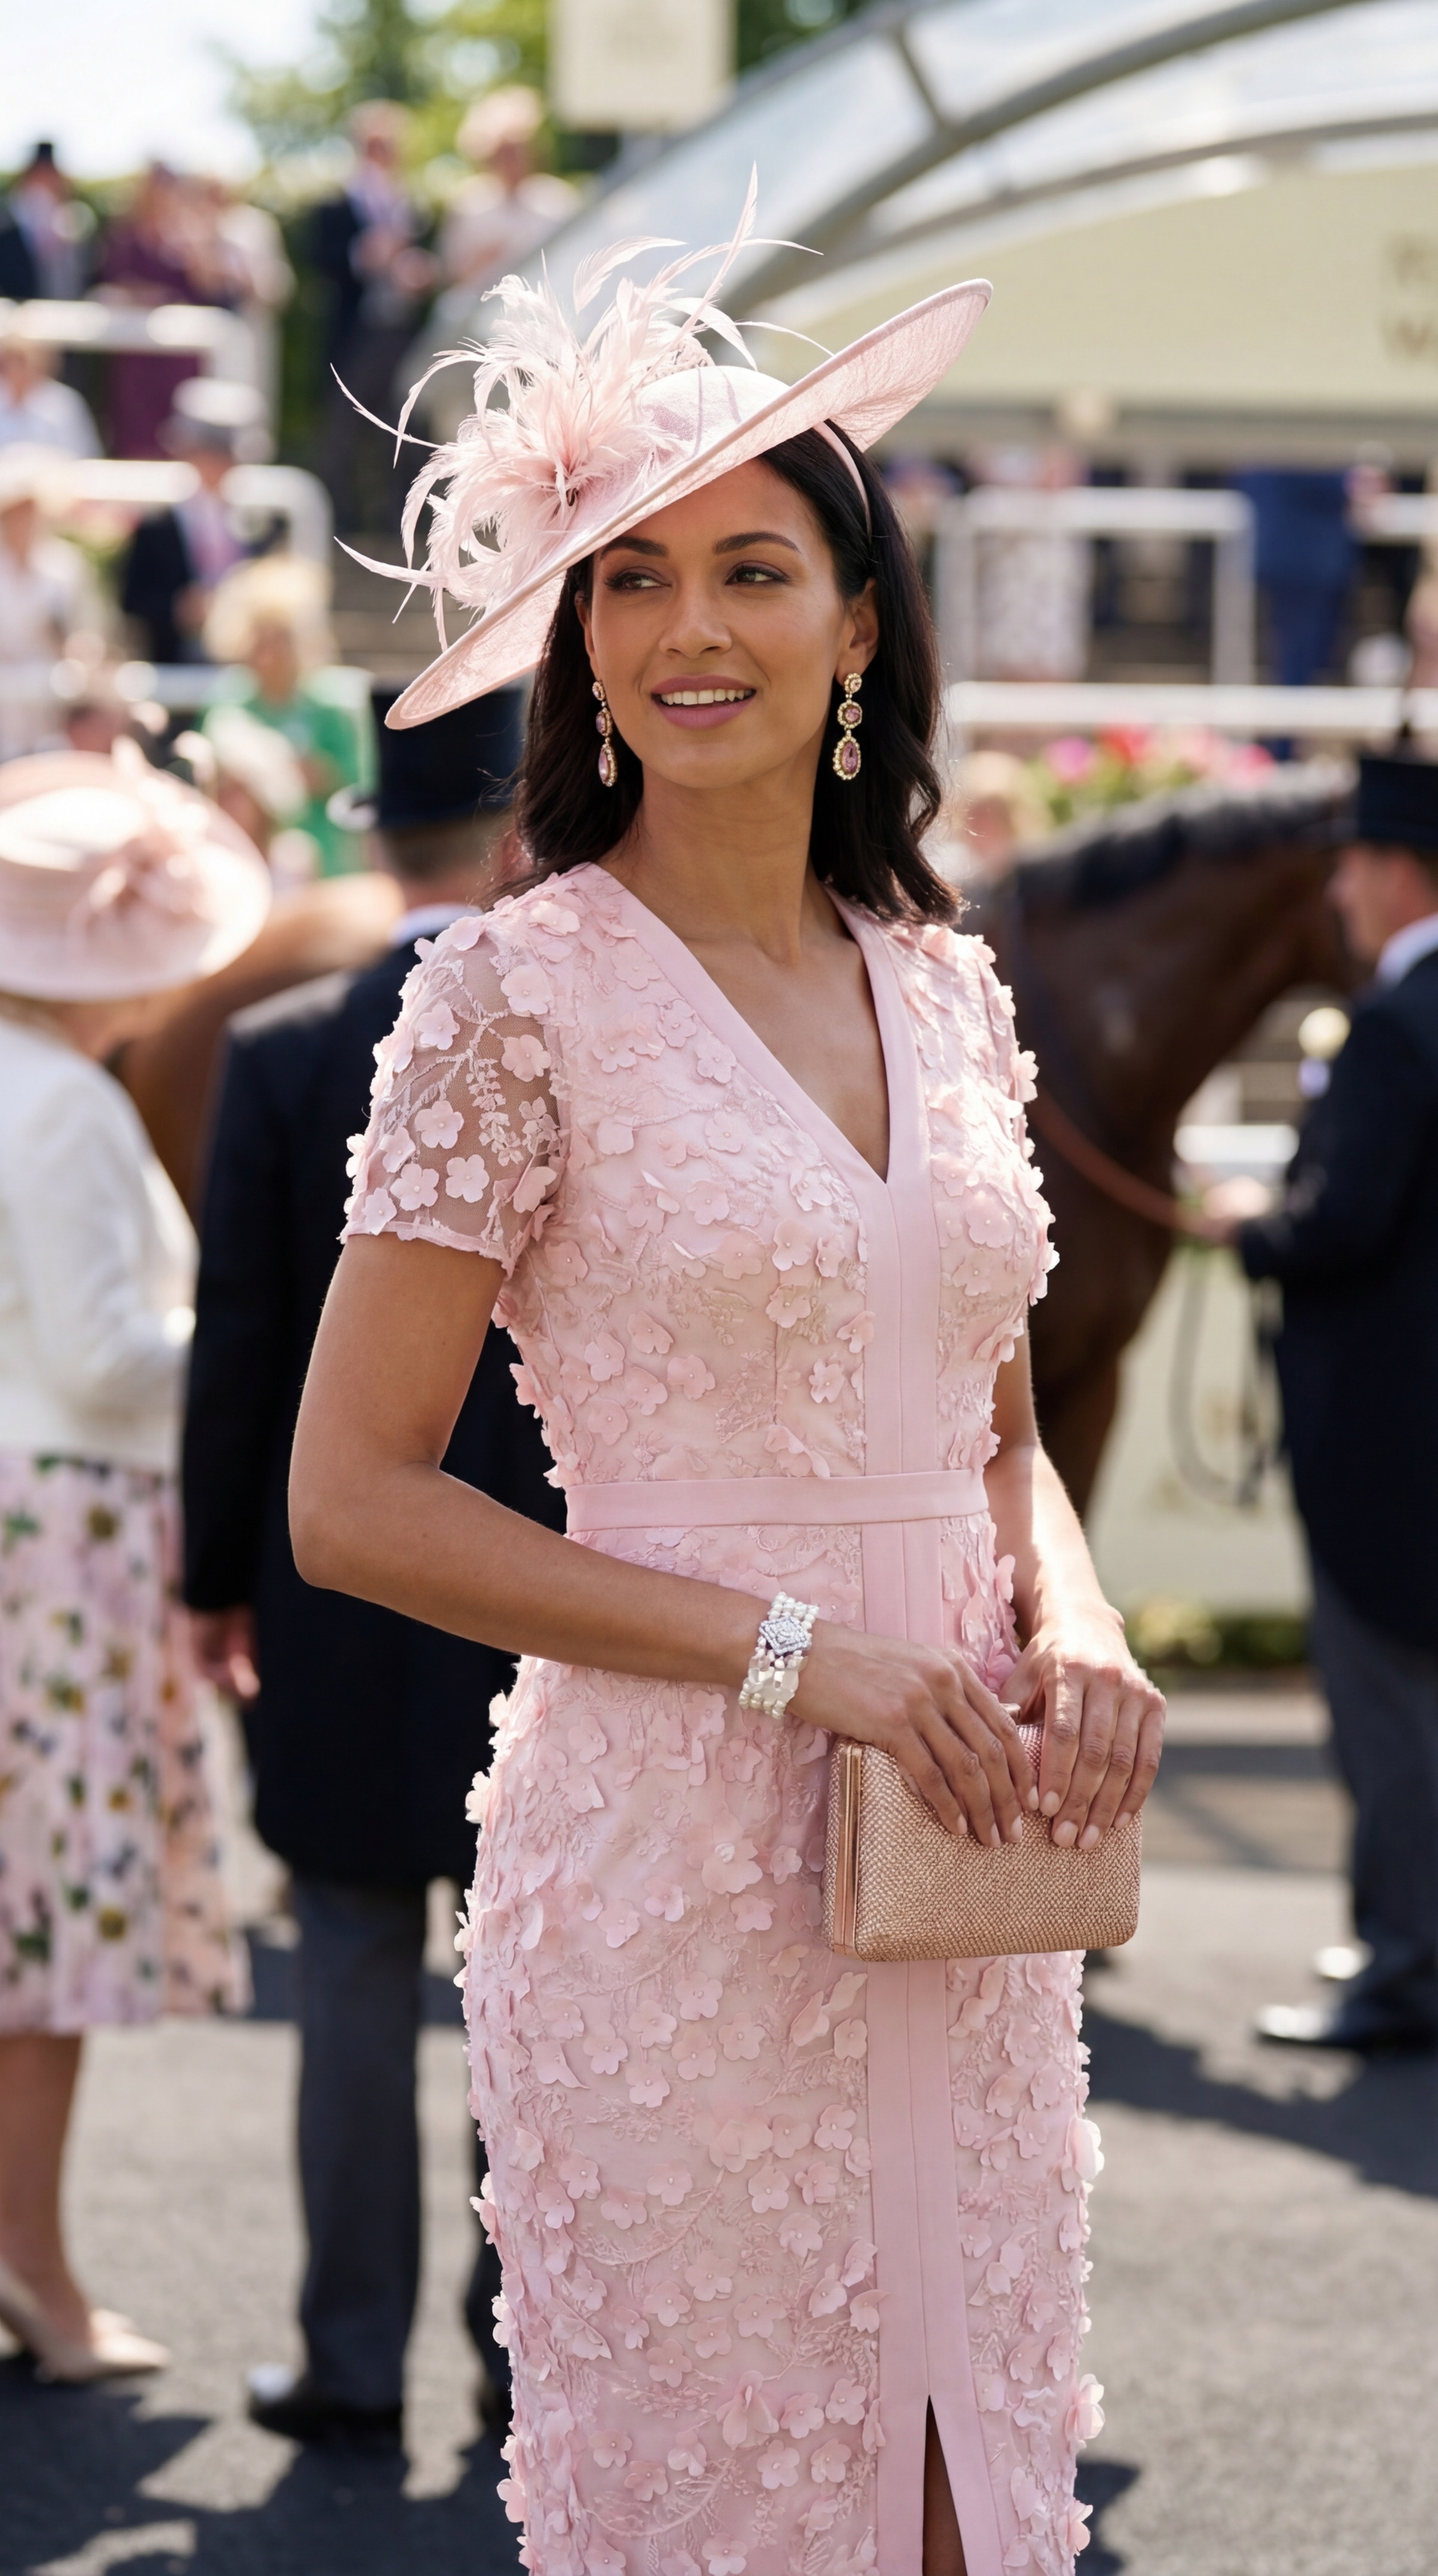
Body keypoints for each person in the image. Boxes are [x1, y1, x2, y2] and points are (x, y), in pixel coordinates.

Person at [288, 211, 1165, 2575]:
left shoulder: (944, 984)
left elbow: (990, 1436)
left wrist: (1070, 1624)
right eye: (630, 580)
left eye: (753, 569)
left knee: (974, 2499)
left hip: (962, 1857)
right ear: (577, 642)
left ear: (861, 622)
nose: (690, 628)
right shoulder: (512, 996)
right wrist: (809, 1660)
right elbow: (352, 1500)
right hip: (672, 1875)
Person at [182, 684, 562, 2454]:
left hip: (329, 1575)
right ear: (520, 825)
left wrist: (211, 1575)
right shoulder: (571, 1039)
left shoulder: (286, 1045)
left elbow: (240, 1348)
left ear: (371, 835)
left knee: (344, 1963)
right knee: (532, 1986)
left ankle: (346, 2358)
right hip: (534, 1582)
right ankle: (524, 2358)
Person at [0, 741, 270, 2383]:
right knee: (45, 1932)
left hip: (29, 1517)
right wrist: (238, 1346)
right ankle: (35, 2261)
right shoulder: (72, 1105)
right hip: (64, 1530)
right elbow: (107, 1359)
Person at [1228, 751, 1438, 2054]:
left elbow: (1341, 1226)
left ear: (1399, 868)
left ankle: (1407, 1963)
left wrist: (1255, 1227)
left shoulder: (1397, 1026)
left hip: (1388, 1438)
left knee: (1390, 1710)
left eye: (1353, 863)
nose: (1341, 891)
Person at [310, 104, 437, 535]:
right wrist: (365, 255)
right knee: (342, 427)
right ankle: (339, 522)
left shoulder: (408, 203)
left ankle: (397, 521)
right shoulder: (337, 203)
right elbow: (322, 261)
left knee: (402, 425)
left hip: (400, 330)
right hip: (355, 334)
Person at [201, 557, 369, 877]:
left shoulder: (332, 704)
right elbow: (205, 785)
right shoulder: (225, 703)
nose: (270, 652)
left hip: (324, 861)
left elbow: (359, 785)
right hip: (245, 859)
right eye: (261, 639)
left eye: (281, 639)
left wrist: (312, 775)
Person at [119, 387, 257, 666]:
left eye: (225, 453)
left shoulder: (262, 519)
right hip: (176, 662)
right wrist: (177, 609)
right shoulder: (157, 523)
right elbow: (132, 596)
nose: (218, 463)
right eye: (209, 451)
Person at [0, 446, 104, 759]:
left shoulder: (65, 569)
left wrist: (80, 652)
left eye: (30, 510)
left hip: (51, 715)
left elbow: (85, 635)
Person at [439, 87, 577, 294]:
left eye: (521, 149)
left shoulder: (558, 200)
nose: (514, 160)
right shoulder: (469, 206)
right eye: (505, 153)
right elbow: (452, 272)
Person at [0, 335, 100, 461]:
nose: (14, 369)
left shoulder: (64, 403)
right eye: (7, 363)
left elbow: (82, 454)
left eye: (20, 362)